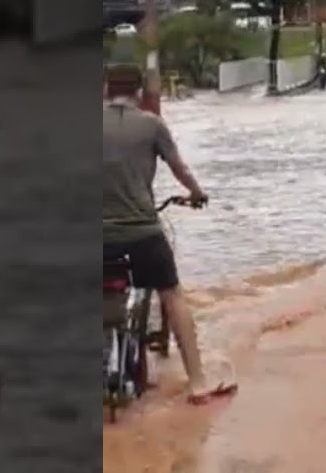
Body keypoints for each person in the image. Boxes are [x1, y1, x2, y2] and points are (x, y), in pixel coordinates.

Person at [103, 63, 236, 405]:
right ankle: (198, 384)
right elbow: (179, 168)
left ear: (106, 89)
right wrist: (197, 193)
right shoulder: (152, 125)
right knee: (172, 296)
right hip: (142, 232)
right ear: (138, 93)